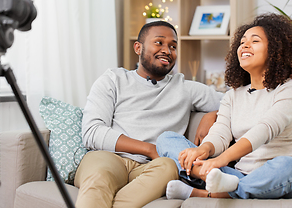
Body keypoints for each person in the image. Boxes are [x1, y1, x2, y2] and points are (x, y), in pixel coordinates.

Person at [156, 13, 292, 200]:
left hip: (286, 176)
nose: (245, 46)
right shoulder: (233, 95)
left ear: (275, 50)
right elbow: (221, 133)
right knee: (166, 139)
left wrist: (219, 160)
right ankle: (214, 179)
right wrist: (204, 150)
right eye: (242, 42)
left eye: (254, 41)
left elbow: (265, 130)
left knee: (287, 166)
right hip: (238, 176)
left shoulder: (291, 86)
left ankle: (208, 193)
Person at [74, 20, 223, 208]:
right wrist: (149, 149)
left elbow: (236, 103)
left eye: (173, 46)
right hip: (109, 158)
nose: (167, 50)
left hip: (152, 167)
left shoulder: (185, 88)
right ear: (138, 47)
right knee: (97, 178)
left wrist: (214, 114)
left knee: (169, 167)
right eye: (159, 42)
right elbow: (92, 132)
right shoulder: (113, 79)